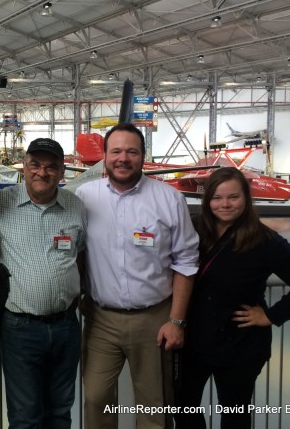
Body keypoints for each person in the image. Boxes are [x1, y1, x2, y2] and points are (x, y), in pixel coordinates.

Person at [174, 167, 290, 429]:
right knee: (183, 407)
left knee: (235, 415)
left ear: (246, 198)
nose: (225, 204)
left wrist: (271, 315)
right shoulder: (194, 230)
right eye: (217, 198)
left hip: (240, 344)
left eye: (233, 197)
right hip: (194, 340)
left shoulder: (264, 240)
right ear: (207, 200)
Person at [75, 122, 199, 429]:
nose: (123, 158)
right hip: (100, 320)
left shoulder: (169, 199)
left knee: (154, 406)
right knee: (95, 398)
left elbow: (186, 261)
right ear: (104, 156)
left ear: (143, 156)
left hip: (154, 320)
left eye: (132, 151)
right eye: (116, 151)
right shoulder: (84, 197)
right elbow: (74, 250)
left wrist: (176, 321)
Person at [0, 137, 87, 428]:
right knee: (25, 417)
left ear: (61, 172)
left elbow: (80, 255)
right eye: (35, 164)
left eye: (51, 167)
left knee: (60, 412)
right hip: (20, 329)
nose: (42, 172)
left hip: (67, 326)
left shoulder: (75, 206)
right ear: (24, 166)